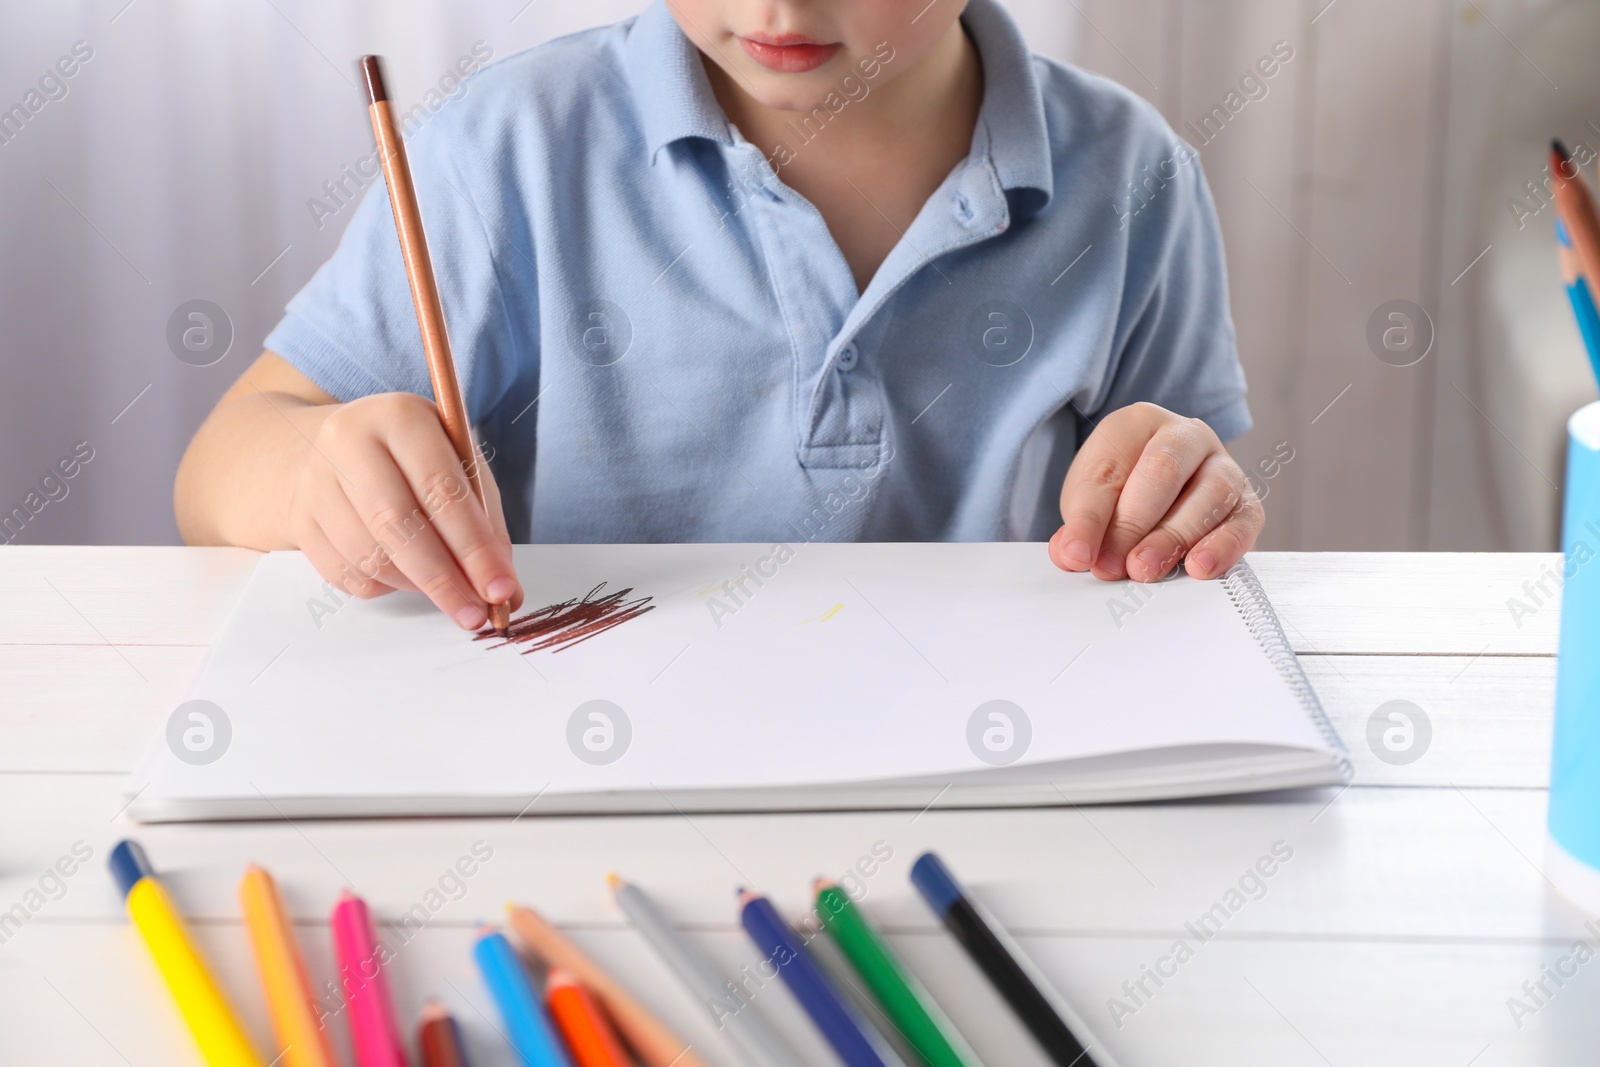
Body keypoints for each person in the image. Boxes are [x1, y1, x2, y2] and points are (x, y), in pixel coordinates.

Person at [175, 0, 1262, 631]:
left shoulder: (1133, 176)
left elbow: (1189, 527)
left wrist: (1176, 493)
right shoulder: (505, 148)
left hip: (976, 786)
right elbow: (219, 465)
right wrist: (322, 465)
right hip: (574, 779)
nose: (778, 4)